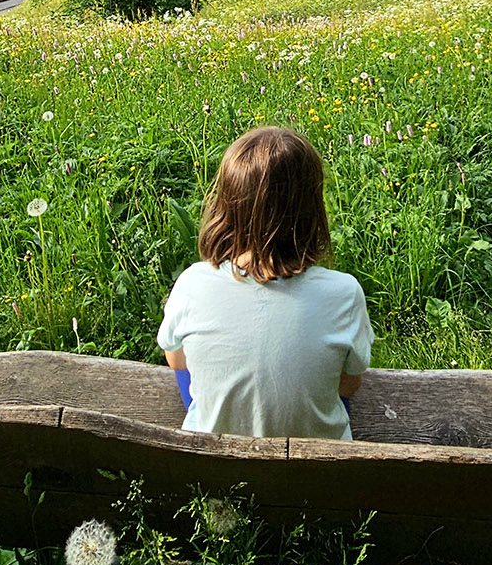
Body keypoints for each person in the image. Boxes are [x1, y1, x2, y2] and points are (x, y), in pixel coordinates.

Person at [157, 125, 372, 440]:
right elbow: (349, 384)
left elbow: (176, 359)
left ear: (227, 207)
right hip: (318, 472)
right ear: (312, 210)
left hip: (215, 471)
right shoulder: (344, 293)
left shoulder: (192, 283)